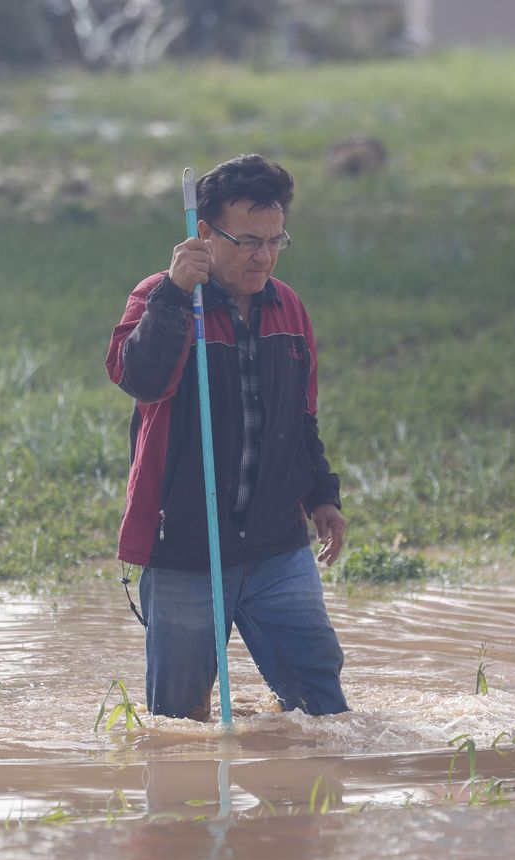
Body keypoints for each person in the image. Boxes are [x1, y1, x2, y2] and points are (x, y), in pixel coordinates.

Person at [106, 154, 350, 721]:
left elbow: (300, 421)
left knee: (323, 708)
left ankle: (300, 808)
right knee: (177, 724)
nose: (263, 255)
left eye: (274, 239)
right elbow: (137, 376)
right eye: (247, 241)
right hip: (185, 548)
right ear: (204, 235)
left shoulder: (289, 308)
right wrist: (171, 295)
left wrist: (322, 497)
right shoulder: (159, 299)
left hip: (277, 546)